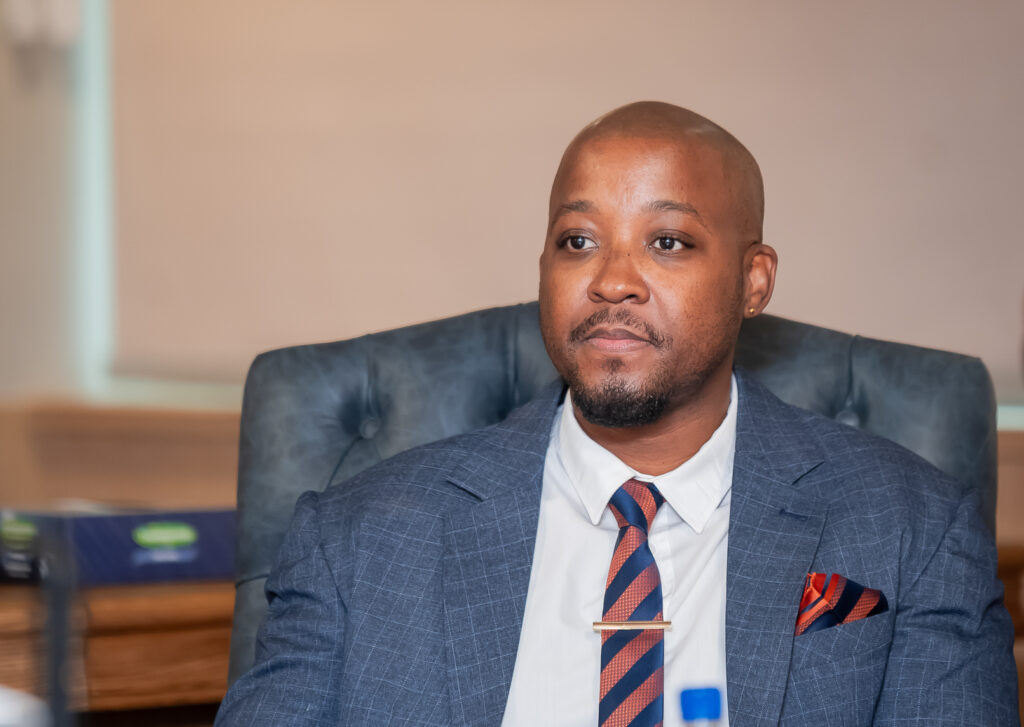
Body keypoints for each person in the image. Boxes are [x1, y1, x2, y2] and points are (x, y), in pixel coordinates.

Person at [215, 102, 1019, 726]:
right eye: (577, 241)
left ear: (754, 281)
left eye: (667, 241)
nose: (611, 280)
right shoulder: (356, 541)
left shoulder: (913, 529)